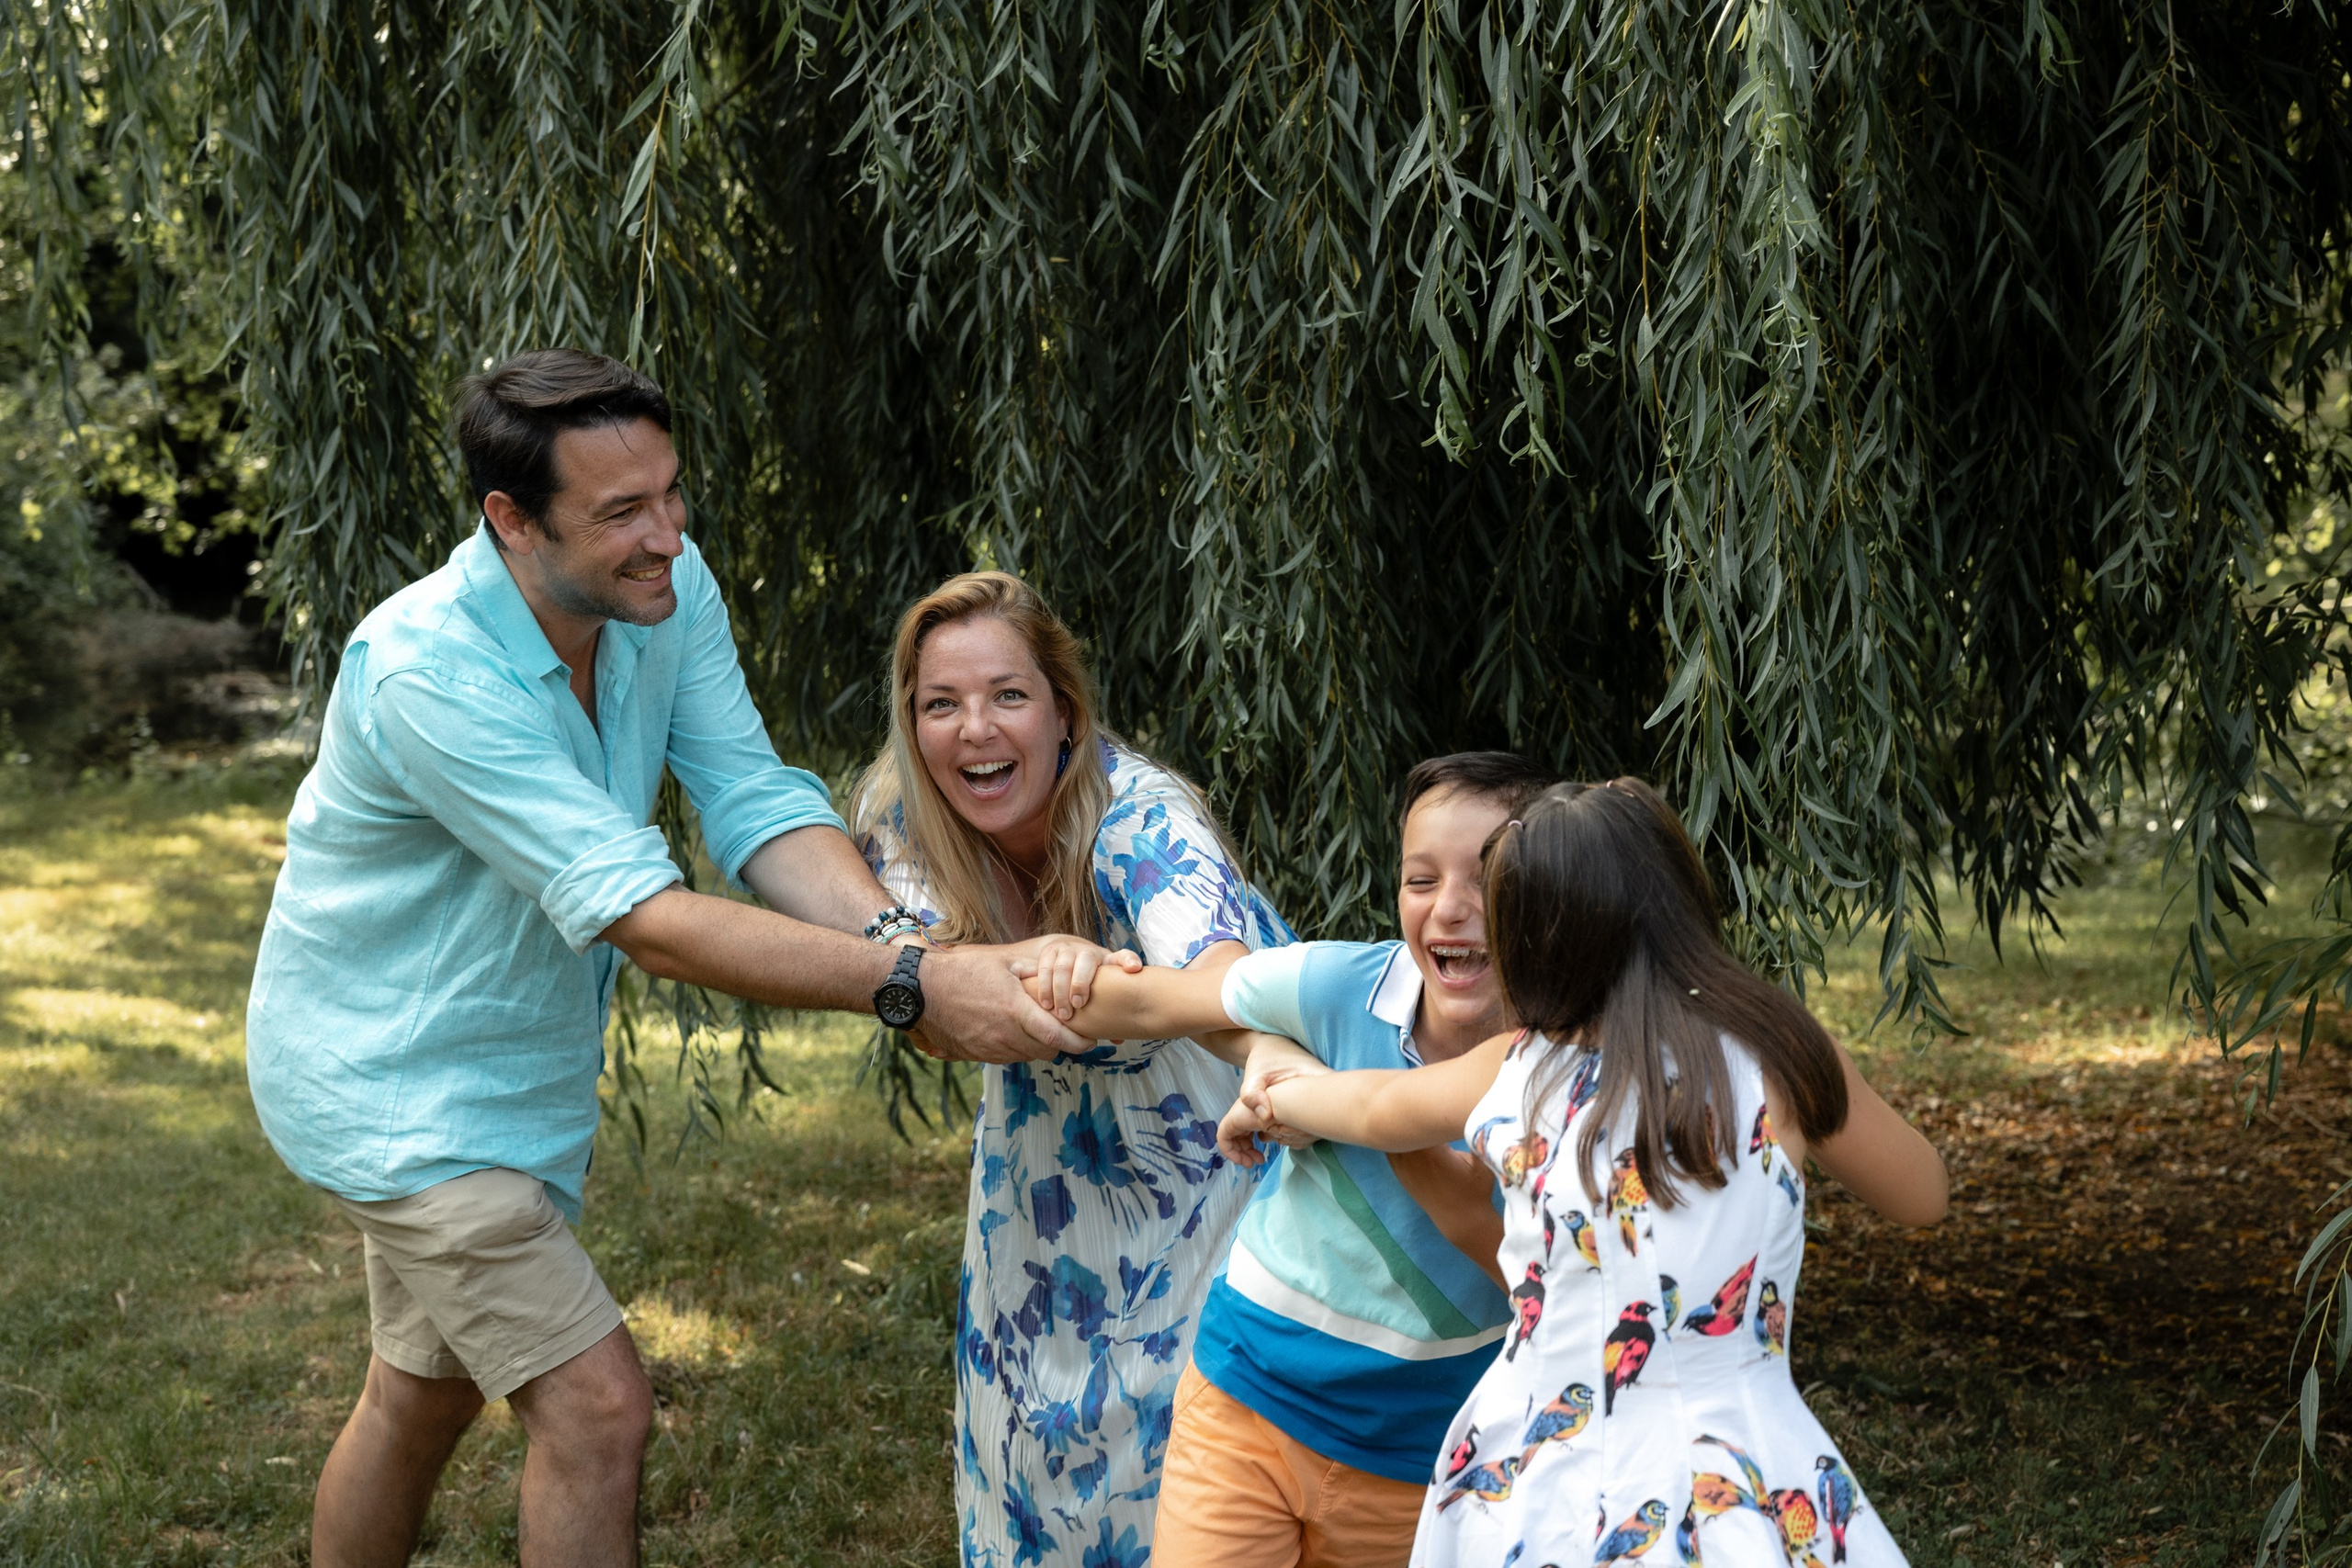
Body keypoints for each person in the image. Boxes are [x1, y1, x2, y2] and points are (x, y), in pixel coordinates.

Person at [244, 351, 1084, 1568]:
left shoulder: (666, 589)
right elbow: (640, 910)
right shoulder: (427, 671)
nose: (667, 534)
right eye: (622, 512)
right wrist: (909, 986)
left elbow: (747, 796)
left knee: (418, 1392)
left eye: (671, 492)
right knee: (596, 1407)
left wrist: (904, 941)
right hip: (390, 1083)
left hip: (510, 1066)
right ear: (512, 521)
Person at [1217, 777, 1948, 1567]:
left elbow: (1370, 1106)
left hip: (1538, 1464)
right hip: (1742, 1461)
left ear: (1531, 940)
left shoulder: (1520, 1069)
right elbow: (1923, 1194)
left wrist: (1273, 1087)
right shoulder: (1785, 1054)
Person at [1011, 751, 1563, 1568]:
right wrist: (1068, 966)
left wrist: (1307, 1100)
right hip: (1248, 1399)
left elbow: (1523, 1265)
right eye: (1420, 880)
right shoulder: (1340, 985)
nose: (1450, 910)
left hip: (1423, 1450)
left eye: (1485, 880)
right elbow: (1162, 999)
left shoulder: (1569, 1066)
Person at [853, 570, 1304, 1568]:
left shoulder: (1141, 819)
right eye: (941, 703)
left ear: (1064, 712)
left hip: (1213, 1157)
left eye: (1008, 696)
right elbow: (933, 1007)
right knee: (1027, 1447)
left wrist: (1261, 1047)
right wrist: (1029, 970)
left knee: (1185, 1457)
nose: (975, 728)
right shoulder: (899, 825)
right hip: (1041, 1179)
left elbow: (1220, 972)